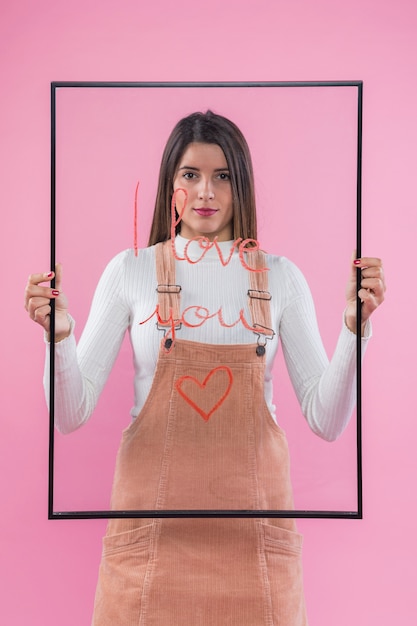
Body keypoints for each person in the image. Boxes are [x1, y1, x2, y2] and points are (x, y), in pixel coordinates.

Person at [25, 111, 385, 625]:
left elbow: (326, 420)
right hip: (151, 540)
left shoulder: (282, 278)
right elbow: (70, 413)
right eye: (190, 175)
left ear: (242, 185)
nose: (206, 192)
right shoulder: (131, 271)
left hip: (252, 543)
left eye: (223, 176)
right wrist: (57, 336)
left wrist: (354, 328)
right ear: (170, 184)